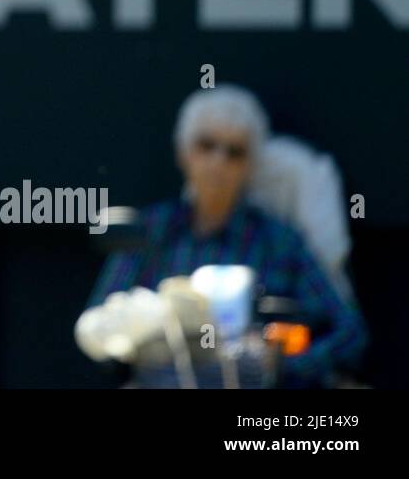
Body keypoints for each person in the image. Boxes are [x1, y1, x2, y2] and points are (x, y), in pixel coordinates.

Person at [87, 85, 368, 388]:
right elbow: (98, 324)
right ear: (183, 153)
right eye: (207, 145)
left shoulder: (280, 241)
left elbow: (349, 334)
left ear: (251, 166)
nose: (218, 162)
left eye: (235, 152)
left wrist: (284, 365)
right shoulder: (152, 231)